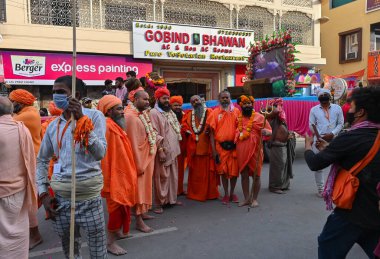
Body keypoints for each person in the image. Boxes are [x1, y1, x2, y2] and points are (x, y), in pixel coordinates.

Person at [304, 86, 380, 259]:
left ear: (360, 112)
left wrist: (308, 146)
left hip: (352, 213)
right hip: (375, 211)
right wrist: (332, 149)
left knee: (328, 247)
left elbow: (315, 163)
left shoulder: (351, 137)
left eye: (351, 106)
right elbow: (357, 155)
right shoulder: (374, 135)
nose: (348, 110)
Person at [37, 75, 108, 258]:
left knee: (98, 248)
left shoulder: (95, 117)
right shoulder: (53, 126)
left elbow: (100, 153)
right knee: (70, 248)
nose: (55, 96)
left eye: (61, 92)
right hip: (60, 200)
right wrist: (43, 193)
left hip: (90, 199)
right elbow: (42, 160)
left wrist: (81, 120)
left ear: (75, 94)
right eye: (53, 92)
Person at [98, 95, 137, 255]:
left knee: (123, 206)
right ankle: (110, 242)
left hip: (122, 173)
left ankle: (119, 232)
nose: (122, 112)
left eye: (122, 108)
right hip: (114, 175)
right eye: (119, 109)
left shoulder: (115, 125)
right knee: (116, 207)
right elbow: (107, 157)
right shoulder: (107, 127)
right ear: (108, 111)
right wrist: (114, 176)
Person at [0, 97, 38, 259]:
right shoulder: (21, 128)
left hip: (3, 194)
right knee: (19, 233)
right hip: (21, 188)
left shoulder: (25, 119)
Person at [9, 88, 42, 249]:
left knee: (28, 199)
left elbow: (7, 123)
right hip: (27, 159)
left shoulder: (28, 114)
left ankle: (35, 235)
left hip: (32, 160)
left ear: (19, 103)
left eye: (12, 101)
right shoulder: (27, 112)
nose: (11, 103)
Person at [124, 89, 157, 233]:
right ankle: (138, 221)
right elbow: (133, 144)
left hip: (146, 158)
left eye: (148, 99)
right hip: (140, 161)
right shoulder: (131, 117)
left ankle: (142, 212)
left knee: (144, 189)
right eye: (144, 99)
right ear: (135, 99)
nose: (147, 101)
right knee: (138, 191)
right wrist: (139, 165)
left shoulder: (140, 114)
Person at [235, 95, 272, 207]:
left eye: (249, 103)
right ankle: (247, 198)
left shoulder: (260, 117)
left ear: (252, 104)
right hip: (241, 150)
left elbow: (270, 131)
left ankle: (254, 199)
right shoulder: (238, 118)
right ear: (241, 105)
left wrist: (266, 132)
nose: (247, 105)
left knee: (256, 175)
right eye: (245, 103)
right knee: (244, 175)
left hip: (256, 150)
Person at [150, 88, 181, 213]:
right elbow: (154, 132)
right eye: (164, 98)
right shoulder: (154, 113)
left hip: (173, 150)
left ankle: (171, 199)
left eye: (168, 98)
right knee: (161, 177)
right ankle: (158, 203)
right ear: (158, 99)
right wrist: (160, 150)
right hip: (163, 150)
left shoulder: (169, 112)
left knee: (172, 176)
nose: (167, 101)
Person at [182, 95, 219, 202]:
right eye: (193, 101)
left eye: (197, 100)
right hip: (194, 150)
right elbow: (184, 126)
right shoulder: (188, 114)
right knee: (195, 174)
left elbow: (215, 125)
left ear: (202, 101)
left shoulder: (210, 112)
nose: (195, 102)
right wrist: (188, 131)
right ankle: (195, 193)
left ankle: (210, 194)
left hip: (207, 149)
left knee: (209, 173)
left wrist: (210, 130)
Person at [207, 90, 240, 204]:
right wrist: (214, 151)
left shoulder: (236, 111)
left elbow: (241, 129)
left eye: (227, 97)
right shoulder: (215, 113)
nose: (225, 99)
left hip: (234, 147)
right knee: (223, 172)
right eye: (223, 98)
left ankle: (232, 193)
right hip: (220, 147)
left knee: (234, 171)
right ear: (219, 99)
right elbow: (211, 134)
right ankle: (226, 194)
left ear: (230, 99)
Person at [309, 88, 344, 197]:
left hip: (334, 140)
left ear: (329, 98)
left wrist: (332, 134)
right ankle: (321, 189)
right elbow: (311, 125)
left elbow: (340, 124)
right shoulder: (314, 110)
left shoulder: (337, 108)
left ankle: (336, 188)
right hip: (319, 140)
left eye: (326, 99)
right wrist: (320, 136)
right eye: (321, 99)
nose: (324, 102)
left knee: (337, 164)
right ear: (319, 100)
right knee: (319, 166)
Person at [267, 98, 296, 194]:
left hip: (284, 144)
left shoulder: (280, 116)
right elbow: (275, 111)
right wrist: (275, 104)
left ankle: (284, 185)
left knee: (284, 166)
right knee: (278, 166)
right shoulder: (269, 113)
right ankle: (274, 186)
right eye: (277, 104)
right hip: (276, 145)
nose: (280, 106)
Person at [170, 95, 187, 195]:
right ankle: (173, 191)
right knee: (173, 170)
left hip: (182, 146)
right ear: (171, 106)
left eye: (179, 105)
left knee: (180, 169)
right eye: (175, 105)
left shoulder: (184, 116)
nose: (177, 107)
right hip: (172, 147)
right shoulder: (168, 116)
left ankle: (179, 189)